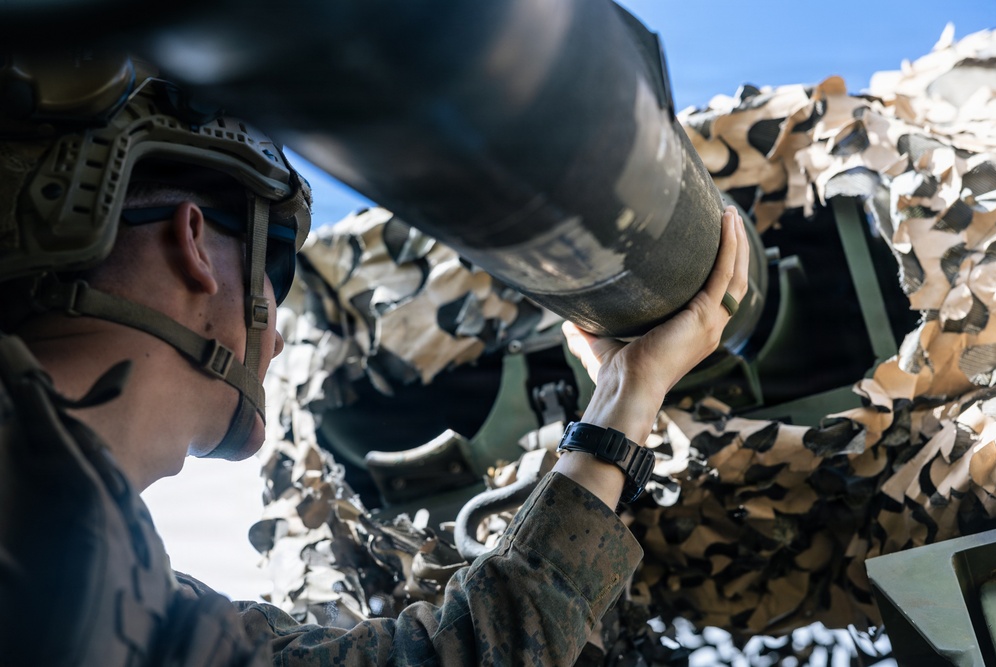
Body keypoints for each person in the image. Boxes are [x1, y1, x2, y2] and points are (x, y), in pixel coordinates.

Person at [0, 56, 749, 666]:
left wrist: (626, 393)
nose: (282, 338)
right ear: (194, 244)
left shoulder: (146, 607)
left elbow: (463, 655)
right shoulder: (130, 603)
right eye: (274, 272)